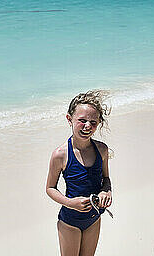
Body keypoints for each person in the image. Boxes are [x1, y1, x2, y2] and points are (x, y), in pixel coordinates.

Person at [46, 90, 113, 256]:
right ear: (70, 119)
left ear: (99, 123)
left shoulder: (102, 150)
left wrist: (106, 191)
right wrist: (70, 203)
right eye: (82, 121)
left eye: (93, 122)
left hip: (94, 218)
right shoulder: (60, 155)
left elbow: (106, 179)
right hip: (70, 222)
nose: (87, 126)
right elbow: (50, 188)